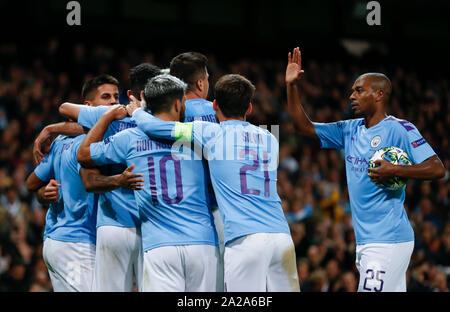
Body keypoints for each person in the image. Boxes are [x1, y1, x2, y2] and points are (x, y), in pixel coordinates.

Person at [285, 47, 446, 292]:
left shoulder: (400, 129)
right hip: (366, 242)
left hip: (388, 240)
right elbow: (302, 126)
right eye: (352, 91)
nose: (352, 95)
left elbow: (437, 168)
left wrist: (395, 170)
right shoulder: (349, 129)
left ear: (379, 94)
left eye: (359, 90)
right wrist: (292, 86)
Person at [128, 74, 300, 292]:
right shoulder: (270, 138)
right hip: (281, 237)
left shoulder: (208, 132)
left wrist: (136, 112)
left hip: (244, 240)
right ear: (249, 108)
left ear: (215, 105)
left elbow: (157, 128)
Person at [76, 75, 219, 291]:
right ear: (178, 103)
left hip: (160, 246)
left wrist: (106, 117)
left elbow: (84, 154)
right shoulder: (198, 133)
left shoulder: (130, 138)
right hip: (202, 242)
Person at [57, 64, 161, 291]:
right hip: (155, 227)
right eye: (108, 97)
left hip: (114, 225)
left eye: (117, 96)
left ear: (132, 94)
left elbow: (65, 108)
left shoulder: (111, 116)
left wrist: (51, 129)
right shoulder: (168, 121)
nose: (114, 101)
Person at [25, 131, 142, 291]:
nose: (113, 104)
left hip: (56, 240)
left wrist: (44, 192)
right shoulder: (87, 146)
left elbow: (32, 185)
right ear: (88, 106)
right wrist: (119, 181)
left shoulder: (60, 141)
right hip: (77, 243)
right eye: (107, 103)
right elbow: (89, 182)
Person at [170, 52, 224, 290]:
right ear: (201, 83)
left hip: (170, 216)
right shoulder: (221, 113)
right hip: (215, 212)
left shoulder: (163, 116)